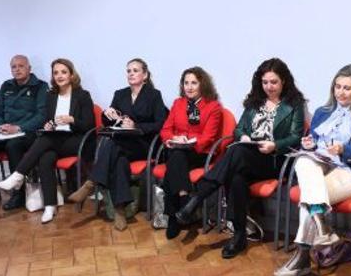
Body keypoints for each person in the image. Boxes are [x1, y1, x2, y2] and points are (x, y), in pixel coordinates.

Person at [175, 58, 307, 259]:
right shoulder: (255, 102)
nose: (269, 87)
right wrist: (243, 137)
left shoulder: (294, 104)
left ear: (284, 82)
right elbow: (239, 129)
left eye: (274, 82)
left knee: (235, 154)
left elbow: (296, 136)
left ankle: (198, 197)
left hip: (273, 159)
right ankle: (238, 236)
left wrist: (275, 145)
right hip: (249, 155)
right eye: (265, 82)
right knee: (236, 175)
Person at [273, 64, 351, 276]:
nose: (340, 92)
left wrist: (345, 149)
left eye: (347, 88)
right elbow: (313, 140)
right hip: (320, 163)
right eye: (337, 87)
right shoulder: (323, 112)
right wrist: (308, 143)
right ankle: (321, 228)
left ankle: (302, 256)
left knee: (310, 198)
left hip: (349, 170)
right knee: (303, 159)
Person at [68, 58, 169, 230]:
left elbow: (161, 123)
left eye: (135, 70)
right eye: (128, 71)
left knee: (111, 145)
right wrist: (108, 113)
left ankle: (91, 183)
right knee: (119, 160)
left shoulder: (154, 95)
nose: (131, 74)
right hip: (122, 142)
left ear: (144, 75)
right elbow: (107, 120)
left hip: (142, 144)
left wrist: (136, 125)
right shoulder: (120, 94)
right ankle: (120, 212)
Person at [0, 58, 96, 224]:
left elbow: (89, 124)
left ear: (71, 74)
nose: (59, 76)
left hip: (78, 140)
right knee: (45, 157)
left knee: (46, 139)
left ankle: (18, 175)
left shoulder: (82, 95)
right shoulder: (51, 95)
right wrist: (49, 124)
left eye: (63, 72)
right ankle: (50, 205)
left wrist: (71, 119)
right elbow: (48, 120)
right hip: (56, 139)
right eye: (56, 73)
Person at [156, 66, 224, 239]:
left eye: (194, 83)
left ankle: (173, 216)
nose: (189, 87)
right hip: (177, 149)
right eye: (186, 83)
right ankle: (184, 202)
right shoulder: (178, 104)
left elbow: (209, 137)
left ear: (203, 85)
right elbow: (165, 129)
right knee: (176, 155)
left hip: (199, 152)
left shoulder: (213, 106)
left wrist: (189, 141)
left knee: (175, 158)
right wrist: (173, 139)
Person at [0, 55, 49, 211]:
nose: (17, 69)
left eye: (21, 66)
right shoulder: (6, 86)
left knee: (13, 145)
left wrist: (19, 128)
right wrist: (0, 125)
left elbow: (42, 116)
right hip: (4, 132)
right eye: (13, 67)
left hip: (27, 132)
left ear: (29, 68)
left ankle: (19, 194)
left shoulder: (40, 86)